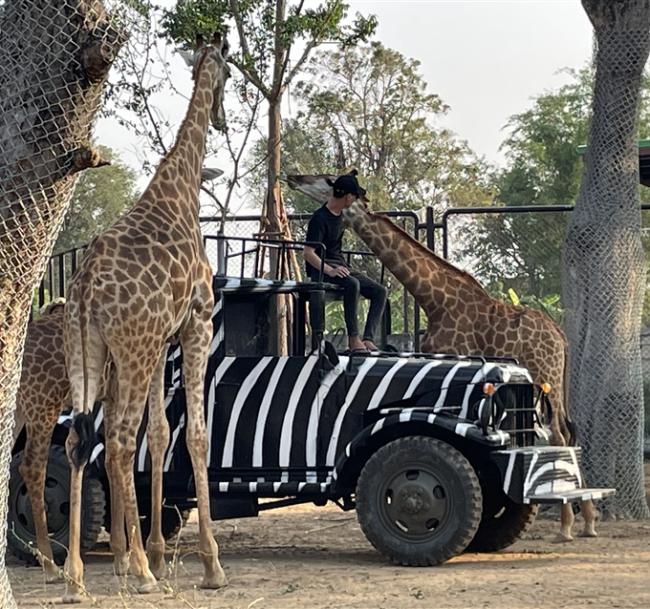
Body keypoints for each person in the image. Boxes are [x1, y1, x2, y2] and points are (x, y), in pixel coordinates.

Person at [303, 173, 387, 352]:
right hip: (322, 268)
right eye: (355, 197)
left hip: (340, 265)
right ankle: (353, 338)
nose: (355, 200)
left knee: (380, 291)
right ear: (348, 196)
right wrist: (329, 271)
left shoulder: (342, 215)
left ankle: (368, 338)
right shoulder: (319, 219)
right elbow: (308, 253)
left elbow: (361, 215)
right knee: (352, 284)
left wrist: (368, 214)